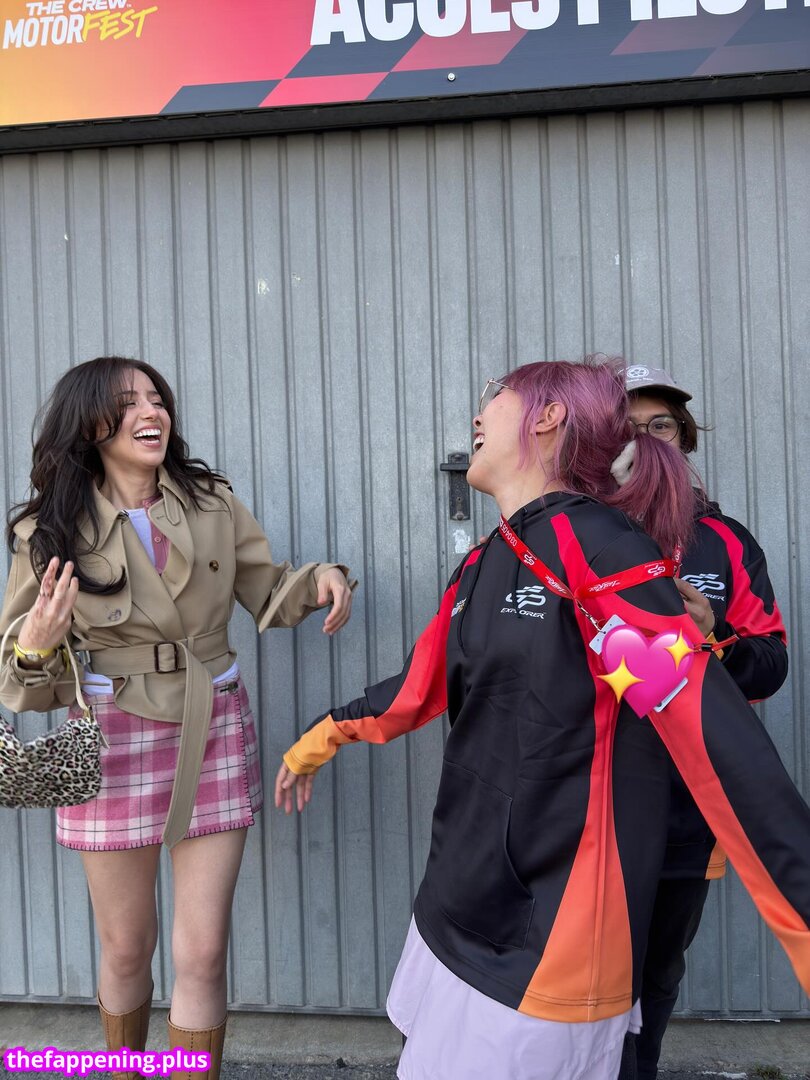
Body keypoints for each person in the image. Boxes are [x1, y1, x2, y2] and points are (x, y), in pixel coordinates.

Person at [274, 358, 810, 1080]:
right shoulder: (488, 559)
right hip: (467, 891)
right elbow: (418, 685)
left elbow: (706, 727)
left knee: (636, 1020)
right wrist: (319, 738)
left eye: (495, 397)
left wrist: (799, 906)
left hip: (565, 913)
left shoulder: (603, 552)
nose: (477, 413)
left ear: (548, 418)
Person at [0, 356, 354, 1080]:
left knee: (203, 952)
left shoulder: (210, 503)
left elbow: (268, 588)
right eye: (128, 402)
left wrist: (322, 578)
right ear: (90, 424)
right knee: (128, 947)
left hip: (211, 720)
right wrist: (36, 643)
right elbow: (17, 671)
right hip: (110, 735)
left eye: (156, 398)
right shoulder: (50, 528)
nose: (150, 412)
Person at [615, 364, 788, 1080]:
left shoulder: (725, 541)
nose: (646, 442)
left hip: (691, 802)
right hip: (587, 796)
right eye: (628, 430)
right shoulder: (570, 535)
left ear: (683, 439)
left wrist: (713, 634)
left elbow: (770, 664)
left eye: (660, 426)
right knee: (583, 968)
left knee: (658, 966)